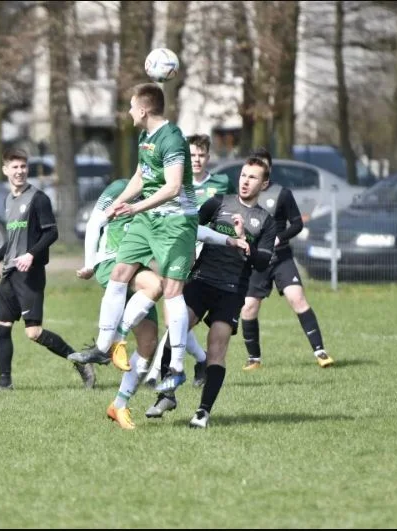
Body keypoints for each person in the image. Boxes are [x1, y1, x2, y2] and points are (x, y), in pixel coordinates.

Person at [72, 178, 250, 429]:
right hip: (112, 262)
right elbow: (94, 222)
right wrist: (89, 263)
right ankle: (113, 342)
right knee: (156, 285)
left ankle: (118, 405)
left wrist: (227, 240)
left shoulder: (166, 197)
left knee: (148, 344)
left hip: (138, 269)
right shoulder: (121, 187)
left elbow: (189, 228)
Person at [69, 82, 199, 396]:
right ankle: (103, 346)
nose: (127, 112)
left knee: (171, 291)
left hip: (175, 222)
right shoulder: (145, 137)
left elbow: (173, 187)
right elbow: (140, 177)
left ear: (142, 110)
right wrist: (117, 204)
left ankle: (176, 366)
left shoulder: (172, 139)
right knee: (119, 273)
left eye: (130, 106)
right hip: (148, 219)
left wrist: (135, 207)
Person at [144, 156, 277, 428]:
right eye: (243, 175)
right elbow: (191, 228)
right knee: (176, 329)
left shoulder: (265, 220)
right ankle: (166, 395)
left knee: (217, 348)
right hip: (201, 281)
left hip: (232, 290)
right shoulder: (218, 203)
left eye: (253, 177)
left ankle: (203, 412)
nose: (245, 181)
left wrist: (245, 240)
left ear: (264, 184)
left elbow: (263, 262)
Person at [0, 148, 95, 390]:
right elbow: (14, 238)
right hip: (10, 273)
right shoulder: (8, 200)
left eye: (23, 166)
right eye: (14, 167)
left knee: (34, 333)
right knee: (1, 326)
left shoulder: (38, 199)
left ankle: (80, 361)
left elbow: (51, 233)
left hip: (30, 275)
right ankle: (4, 382)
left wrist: (31, 255)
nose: (19, 171)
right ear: (5, 170)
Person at [147, 133, 238, 389]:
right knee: (175, 319)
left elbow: (234, 212)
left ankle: (156, 372)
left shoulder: (221, 183)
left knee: (179, 318)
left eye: (201, 155)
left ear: (208, 157)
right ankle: (200, 360)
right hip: (179, 253)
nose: (196, 159)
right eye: (192, 155)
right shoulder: (176, 183)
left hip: (208, 258)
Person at [241, 148, 334, 370]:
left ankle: (320, 351)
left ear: (269, 170)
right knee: (248, 307)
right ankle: (254, 359)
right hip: (257, 262)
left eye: (263, 165)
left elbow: (297, 223)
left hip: (281, 258)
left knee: (297, 298)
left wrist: (279, 238)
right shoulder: (242, 197)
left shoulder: (281, 194)